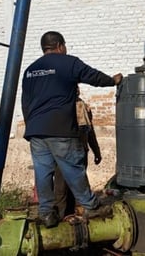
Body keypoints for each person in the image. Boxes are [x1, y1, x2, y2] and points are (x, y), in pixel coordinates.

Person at [21, 31, 122, 228]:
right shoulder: (67, 62)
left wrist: (31, 125)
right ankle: (91, 206)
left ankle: (46, 213)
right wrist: (113, 80)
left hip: (36, 131)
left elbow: (26, 102)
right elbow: (92, 76)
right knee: (73, 168)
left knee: (42, 172)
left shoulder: (30, 70)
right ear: (59, 45)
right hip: (60, 129)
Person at [54, 87, 103, 219]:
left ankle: (75, 218)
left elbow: (90, 131)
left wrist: (96, 151)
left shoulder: (83, 107)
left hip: (76, 152)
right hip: (66, 153)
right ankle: (64, 217)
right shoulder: (59, 107)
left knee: (70, 187)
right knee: (65, 187)